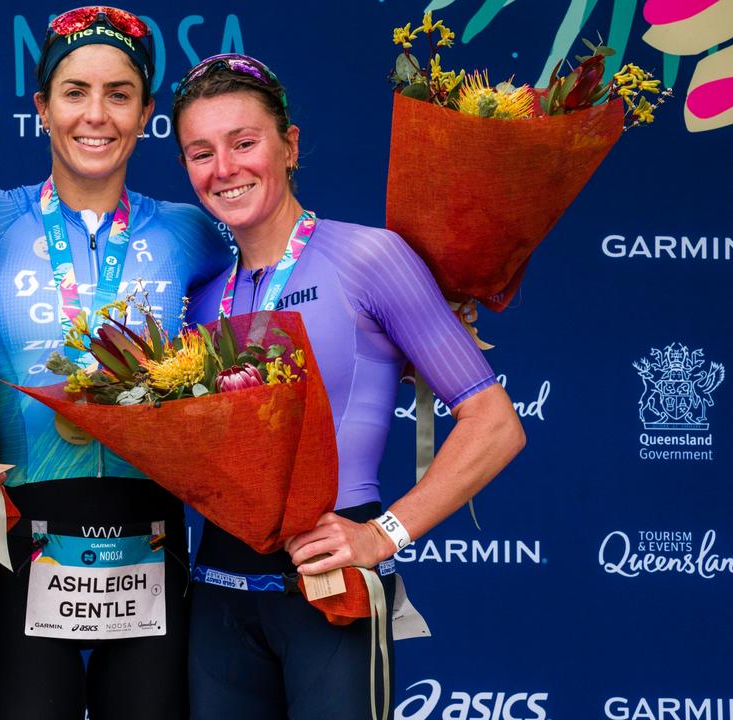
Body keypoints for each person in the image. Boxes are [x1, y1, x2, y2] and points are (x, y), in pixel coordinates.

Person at [173, 54, 526, 719]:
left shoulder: (370, 258)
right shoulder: (201, 297)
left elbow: (495, 423)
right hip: (217, 594)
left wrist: (385, 533)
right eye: (201, 152)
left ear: (290, 146)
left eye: (244, 142)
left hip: (335, 587)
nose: (224, 168)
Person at [0, 7, 232, 719]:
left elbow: (277, 296)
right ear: (41, 108)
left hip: (153, 543)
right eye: (74, 92)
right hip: (25, 545)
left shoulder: (192, 231)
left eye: (118, 93)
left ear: (145, 115)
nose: (94, 115)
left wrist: (430, 314)